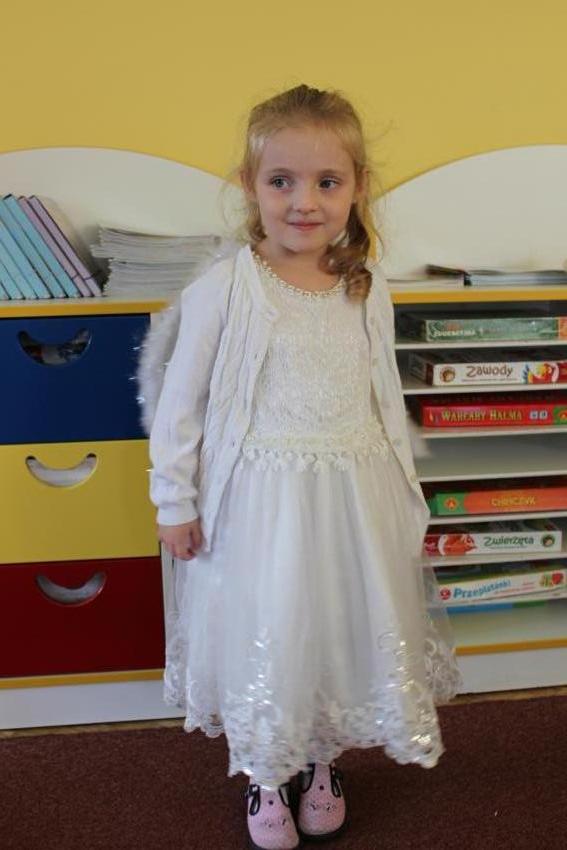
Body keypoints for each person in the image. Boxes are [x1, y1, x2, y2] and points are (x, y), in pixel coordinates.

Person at [146, 84, 461, 850]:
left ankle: (322, 760)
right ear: (250, 185)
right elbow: (179, 404)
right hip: (261, 503)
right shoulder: (226, 287)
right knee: (273, 627)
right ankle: (265, 768)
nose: (304, 202)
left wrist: (402, 494)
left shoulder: (365, 285)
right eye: (281, 180)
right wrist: (173, 501)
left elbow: (382, 394)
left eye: (327, 181)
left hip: (351, 495)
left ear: (357, 187)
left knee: (338, 627)